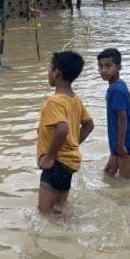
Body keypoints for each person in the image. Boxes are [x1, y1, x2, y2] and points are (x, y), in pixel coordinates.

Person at [36, 51, 95, 215]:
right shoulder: (75, 100)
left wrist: (50, 157)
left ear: (57, 72)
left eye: (49, 68)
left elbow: (62, 129)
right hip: (69, 164)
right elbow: (89, 125)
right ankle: (71, 227)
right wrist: (72, 144)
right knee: (61, 207)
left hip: (56, 164)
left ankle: (69, 228)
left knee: (45, 211)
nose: (48, 72)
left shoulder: (54, 101)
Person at [98, 48, 130, 180]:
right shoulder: (115, 86)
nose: (103, 70)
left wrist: (121, 146)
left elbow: (122, 118)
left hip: (126, 140)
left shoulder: (117, 90)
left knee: (124, 178)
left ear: (119, 67)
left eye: (108, 66)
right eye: (100, 66)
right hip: (119, 139)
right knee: (109, 171)